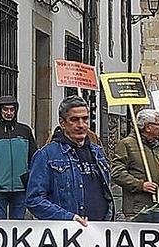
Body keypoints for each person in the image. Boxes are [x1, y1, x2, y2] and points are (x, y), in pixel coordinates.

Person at [26, 96, 112, 226]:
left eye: (85, 119)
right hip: (66, 233)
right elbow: (34, 199)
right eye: (74, 120)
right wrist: (68, 218)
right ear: (62, 123)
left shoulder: (97, 152)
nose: (81, 125)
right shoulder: (46, 155)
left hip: (100, 231)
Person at [110, 109, 159, 220]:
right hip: (138, 209)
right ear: (148, 127)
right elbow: (116, 173)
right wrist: (140, 185)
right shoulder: (127, 144)